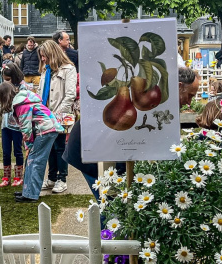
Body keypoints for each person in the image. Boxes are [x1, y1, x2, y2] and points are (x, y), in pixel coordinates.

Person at [64, 66, 200, 199]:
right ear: (179, 86)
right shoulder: (151, 97)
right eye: (190, 96)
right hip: (89, 148)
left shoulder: (158, 98)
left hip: (106, 148)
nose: (189, 102)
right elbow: (115, 135)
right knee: (111, 205)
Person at [0, 81, 65, 203]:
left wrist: (29, 146)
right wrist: (29, 146)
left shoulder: (21, 105)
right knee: (31, 161)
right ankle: (27, 191)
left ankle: (31, 194)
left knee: (36, 161)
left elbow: (26, 128)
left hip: (46, 131)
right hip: (47, 129)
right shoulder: (22, 100)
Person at [38, 39, 77, 194]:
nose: (42, 59)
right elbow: (41, 92)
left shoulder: (68, 69)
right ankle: (52, 177)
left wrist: (57, 115)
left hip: (59, 115)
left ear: (52, 54)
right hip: (46, 114)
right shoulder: (45, 70)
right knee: (50, 148)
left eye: (44, 56)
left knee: (60, 146)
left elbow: (70, 94)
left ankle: (62, 179)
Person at [0, 63, 28, 187]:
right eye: (5, 80)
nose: (6, 82)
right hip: (5, 125)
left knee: (17, 150)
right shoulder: (3, 86)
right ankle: (6, 177)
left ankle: (18, 176)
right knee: (6, 151)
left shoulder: (22, 87)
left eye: (8, 79)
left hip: (17, 125)